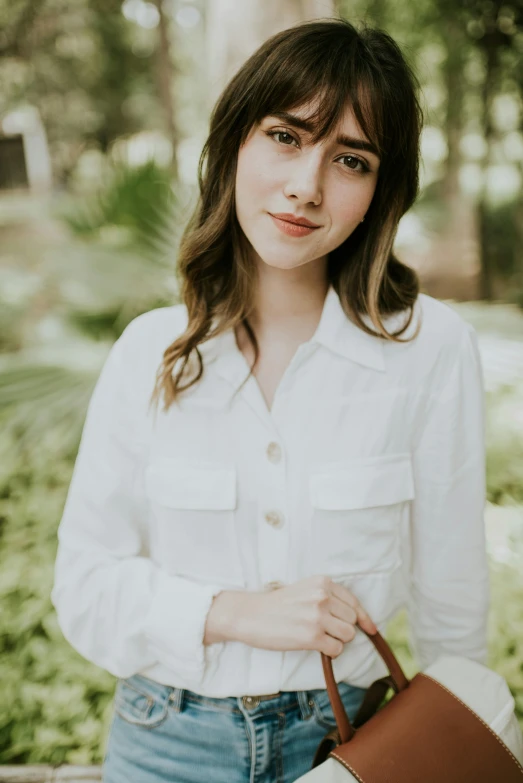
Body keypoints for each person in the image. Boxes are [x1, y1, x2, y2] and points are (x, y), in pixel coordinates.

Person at [51, 16, 490, 783]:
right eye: (285, 137)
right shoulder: (149, 354)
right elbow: (84, 588)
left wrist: (457, 745)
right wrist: (228, 610)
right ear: (232, 147)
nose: (306, 186)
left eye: (349, 159)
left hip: (356, 743)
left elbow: (452, 598)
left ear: (377, 193)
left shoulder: (426, 348)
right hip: (167, 743)